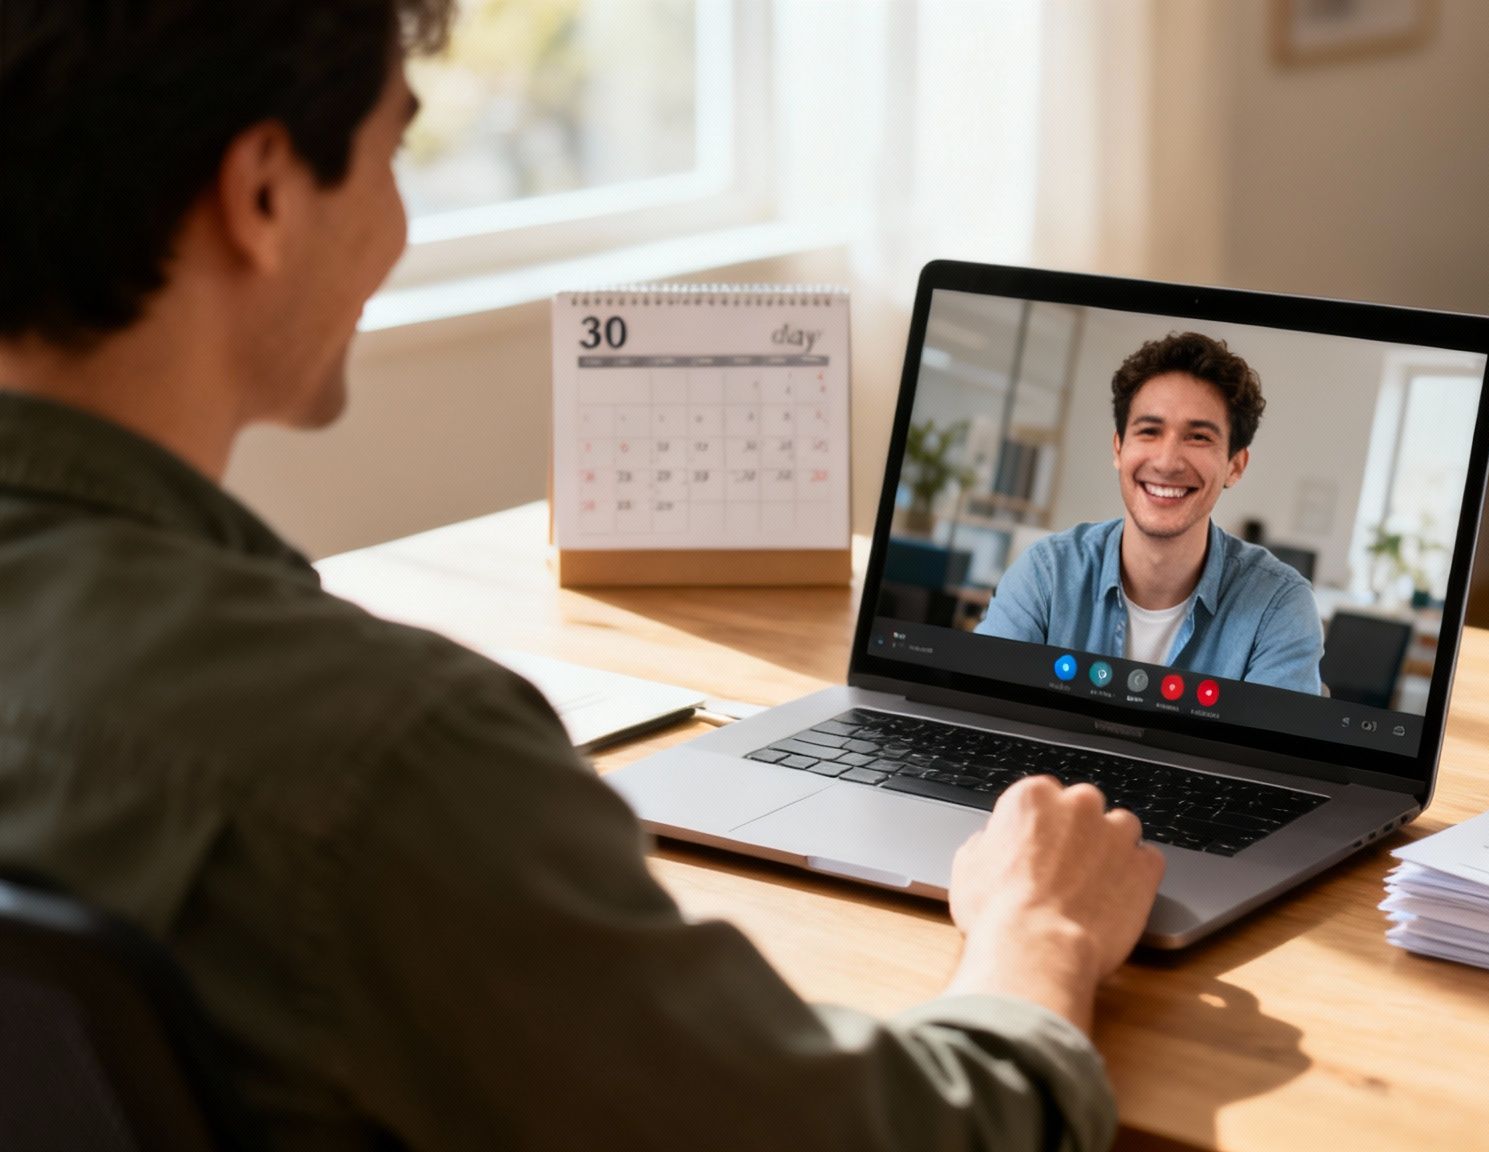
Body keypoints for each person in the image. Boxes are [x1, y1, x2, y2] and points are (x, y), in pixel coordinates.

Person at [0, 3, 1163, 1148]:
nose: (397, 224)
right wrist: (1038, 931)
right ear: (261, 193)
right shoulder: (387, 760)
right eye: (391, 152)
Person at [978, 333, 1326, 694]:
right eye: (1149, 431)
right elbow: (977, 703)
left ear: (1235, 465)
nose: (1166, 462)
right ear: (1118, 448)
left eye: (1199, 437)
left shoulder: (1279, 606)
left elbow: (1264, 751)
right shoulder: (1046, 573)